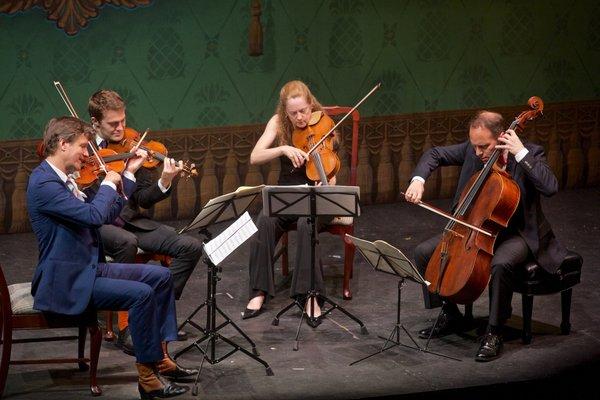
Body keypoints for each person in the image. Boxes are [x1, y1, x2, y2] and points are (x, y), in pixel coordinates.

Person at [27, 116, 196, 398]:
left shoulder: (62, 179)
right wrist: (108, 182)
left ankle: (160, 359)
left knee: (162, 276)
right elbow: (94, 216)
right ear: (62, 144)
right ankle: (148, 378)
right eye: (83, 146)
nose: (87, 153)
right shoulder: (44, 184)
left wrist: (127, 175)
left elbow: (107, 213)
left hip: (86, 268)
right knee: (141, 294)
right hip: (66, 280)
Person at [404, 110, 567, 361]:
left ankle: (494, 332)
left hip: (517, 232)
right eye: (474, 146)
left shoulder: (530, 153)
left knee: (501, 264)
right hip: (476, 227)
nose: (478, 153)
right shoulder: (473, 150)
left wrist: (519, 152)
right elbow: (434, 153)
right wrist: (418, 180)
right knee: (424, 253)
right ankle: (450, 315)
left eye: (484, 147)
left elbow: (550, 187)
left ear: (502, 138)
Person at [87, 90, 203, 354]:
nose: (121, 129)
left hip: (132, 221)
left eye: (123, 121)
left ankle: (155, 312)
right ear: (95, 123)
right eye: (113, 124)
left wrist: (166, 180)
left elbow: (144, 199)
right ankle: (127, 326)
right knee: (125, 243)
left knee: (191, 247)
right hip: (98, 223)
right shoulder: (84, 150)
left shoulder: (133, 147)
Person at [242, 80, 337, 326]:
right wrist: (282, 148)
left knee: (307, 224)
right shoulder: (278, 123)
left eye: (303, 110)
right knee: (265, 219)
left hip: (317, 199)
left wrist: (326, 182)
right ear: (285, 111)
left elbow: (332, 170)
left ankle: (310, 295)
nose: (300, 117)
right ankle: (258, 291)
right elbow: (255, 156)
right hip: (287, 196)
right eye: (293, 113)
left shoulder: (323, 123)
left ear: (310, 104)